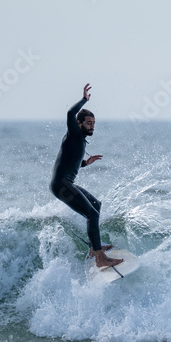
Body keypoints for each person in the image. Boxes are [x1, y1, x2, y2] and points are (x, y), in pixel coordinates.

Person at [49, 83, 123, 268]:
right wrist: (84, 100)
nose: (92, 126)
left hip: (64, 183)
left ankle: (93, 249)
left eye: (94, 123)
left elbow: (68, 161)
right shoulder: (74, 133)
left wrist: (84, 163)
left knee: (96, 206)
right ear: (80, 123)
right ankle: (100, 258)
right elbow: (69, 114)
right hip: (61, 185)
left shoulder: (80, 140)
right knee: (91, 213)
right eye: (88, 123)